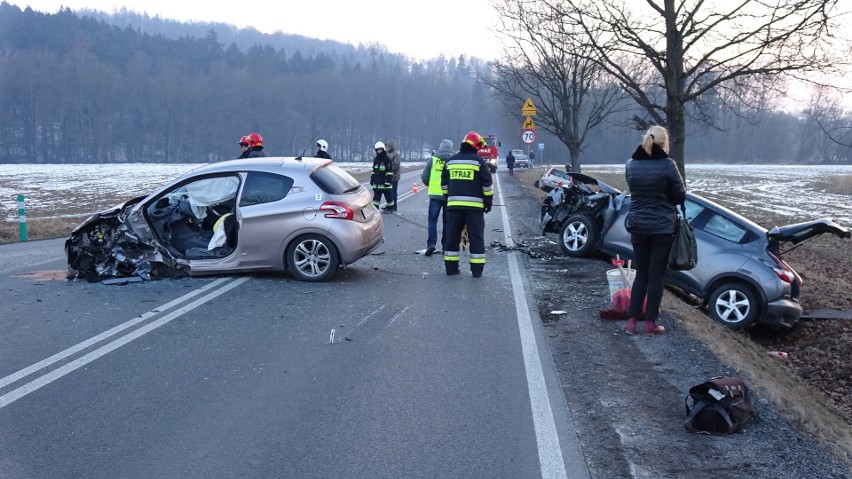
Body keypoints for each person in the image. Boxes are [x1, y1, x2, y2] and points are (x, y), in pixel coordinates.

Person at [623, 125, 686, 335]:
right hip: (662, 228)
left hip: (638, 225)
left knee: (641, 273)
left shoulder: (631, 164)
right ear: (664, 143)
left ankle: (631, 322)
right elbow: (679, 196)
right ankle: (651, 323)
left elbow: (635, 191)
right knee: (656, 275)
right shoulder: (668, 165)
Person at [441, 131, 493, 278]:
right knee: (476, 238)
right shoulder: (479, 161)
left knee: (452, 237)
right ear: (475, 146)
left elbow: (443, 184)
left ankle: (451, 269)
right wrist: (488, 203)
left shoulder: (451, 161)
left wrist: (449, 198)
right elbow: (487, 186)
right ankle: (477, 271)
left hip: (454, 207)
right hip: (475, 209)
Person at [420, 139, 454, 256]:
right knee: (447, 221)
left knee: (432, 220)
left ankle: (431, 244)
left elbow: (424, 177)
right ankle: (445, 246)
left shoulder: (433, 159)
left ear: (440, 147)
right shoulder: (454, 160)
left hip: (435, 195)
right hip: (449, 196)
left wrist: (432, 184)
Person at [371, 142, 395, 212]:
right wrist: (372, 179)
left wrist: (388, 181)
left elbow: (389, 172)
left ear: (383, 149)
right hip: (377, 184)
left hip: (385, 184)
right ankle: (375, 210)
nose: (379, 151)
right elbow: (374, 170)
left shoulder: (387, 159)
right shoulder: (376, 159)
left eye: (380, 150)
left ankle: (390, 208)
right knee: (376, 198)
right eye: (377, 150)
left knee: (388, 197)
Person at [385, 140, 402, 207]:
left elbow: (396, 166)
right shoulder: (386, 154)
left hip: (394, 176)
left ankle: (394, 205)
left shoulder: (396, 154)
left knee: (393, 192)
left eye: (389, 146)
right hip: (387, 177)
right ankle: (388, 205)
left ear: (392, 146)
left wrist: (389, 170)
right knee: (388, 192)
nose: (388, 147)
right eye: (387, 146)